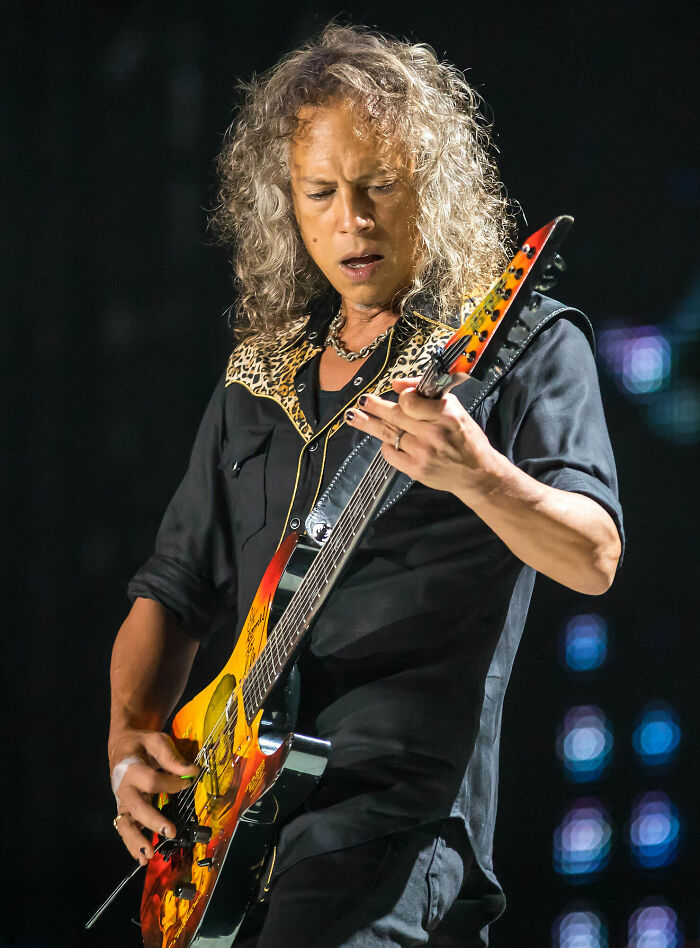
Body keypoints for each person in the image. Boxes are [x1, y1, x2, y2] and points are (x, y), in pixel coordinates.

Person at [107, 25, 623, 947]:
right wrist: (127, 745)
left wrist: (478, 475)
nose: (352, 219)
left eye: (379, 185)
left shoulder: (522, 347)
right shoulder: (256, 376)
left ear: (434, 184)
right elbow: (174, 588)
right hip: (224, 831)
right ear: (287, 204)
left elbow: (594, 556)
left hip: (393, 821)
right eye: (321, 193)